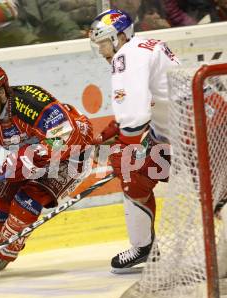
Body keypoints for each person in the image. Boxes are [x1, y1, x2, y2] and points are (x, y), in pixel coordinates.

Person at [0, 63, 93, 276]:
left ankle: (1, 256)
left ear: (1, 92)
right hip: (27, 156)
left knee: (26, 201)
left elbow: (66, 135)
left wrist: (33, 157)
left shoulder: (31, 101)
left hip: (71, 154)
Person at [89, 9, 180, 273]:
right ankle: (144, 249)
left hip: (189, 138)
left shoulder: (126, 56)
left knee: (216, 194)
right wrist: (108, 134)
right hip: (184, 131)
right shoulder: (146, 46)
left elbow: (136, 115)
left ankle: (144, 248)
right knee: (136, 176)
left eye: (104, 43)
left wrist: (125, 152)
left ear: (120, 36)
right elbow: (147, 103)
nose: (103, 52)